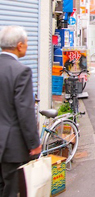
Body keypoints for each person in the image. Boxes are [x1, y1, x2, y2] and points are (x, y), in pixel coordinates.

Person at [0, 26, 41, 197]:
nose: (27, 46)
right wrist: (34, 143)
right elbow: (25, 111)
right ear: (19, 45)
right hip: (13, 147)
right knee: (12, 190)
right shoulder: (21, 71)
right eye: (26, 43)